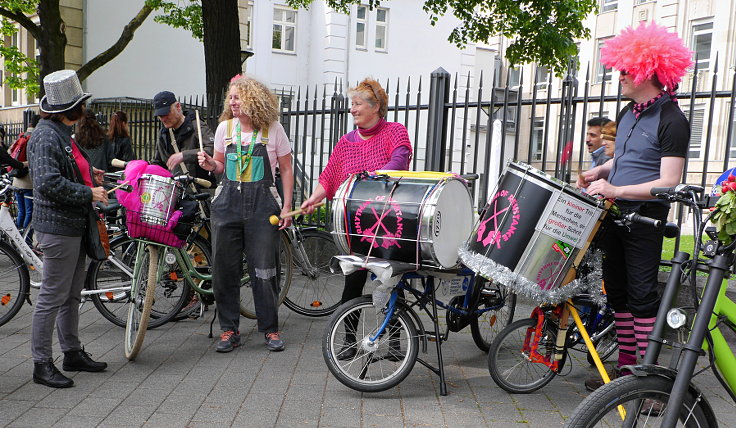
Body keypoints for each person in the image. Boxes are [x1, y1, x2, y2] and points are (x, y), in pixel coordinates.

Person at [576, 21, 692, 391]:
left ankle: (650, 381)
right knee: (620, 294)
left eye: (627, 69)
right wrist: (600, 170)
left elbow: (669, 181)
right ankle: (626, 374)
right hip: (616, 212)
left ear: (650, 70)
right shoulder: (628, 114)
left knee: (642, 297)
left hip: (645, 218)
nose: (621, 75)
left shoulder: (672, 119)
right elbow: (625, 159)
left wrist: (615, 186)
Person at [300, 78, 413, 359]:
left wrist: (374, 178)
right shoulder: (346, 142)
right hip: (356, 226)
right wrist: (314, 198)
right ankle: (350, 341)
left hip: (388, 223)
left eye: (358, 104)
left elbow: (400, 160)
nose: (352, 109)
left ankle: (396, 343)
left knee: (388, 283)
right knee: (352, 284)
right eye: (352, 104)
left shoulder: (395, 132)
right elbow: (329, 175)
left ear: (375, 107)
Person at [198, 76, 294, 353]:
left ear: (254, 99)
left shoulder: (273, 130)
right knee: (224, 270)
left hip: (264, 207)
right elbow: (218, 166)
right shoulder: (224, 129)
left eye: (237, 97)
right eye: (231, 97)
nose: (232, 102)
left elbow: (286, 170)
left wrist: (287, 206)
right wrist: (209, 163)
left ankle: (270, 329)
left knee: (265, 270)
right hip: (227, 206)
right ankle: (229, 330)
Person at [28, 69, 109, 388]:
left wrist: (90, 176)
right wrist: (87, 192)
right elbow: (47, 182)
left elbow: (65, 170)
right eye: (80, 104)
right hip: (58, 228)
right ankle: (41, 363)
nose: (85, 108)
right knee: (52, 296)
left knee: (70, 295)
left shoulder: (58, 131)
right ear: (68, 109)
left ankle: (72, 353)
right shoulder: (47, 135)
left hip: (70, 227)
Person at [153, 91, 214, 181]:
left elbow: (212, 149)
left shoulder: (197, 126)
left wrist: (184, 156)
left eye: (166, 113)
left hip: (201, 189)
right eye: (160, 116)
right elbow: (158, 163)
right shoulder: (163, 134)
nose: (163, 119)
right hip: (174, 190)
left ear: (178, 106)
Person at [12, 113, 39, 233]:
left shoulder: (21, 135)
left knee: (21, 211)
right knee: (30, 212)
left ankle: (17, 240)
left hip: (17, 180)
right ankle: (26, 242)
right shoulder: (36, 137)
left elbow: (10, 152)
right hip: (28, 182)